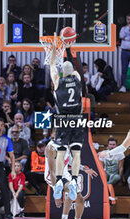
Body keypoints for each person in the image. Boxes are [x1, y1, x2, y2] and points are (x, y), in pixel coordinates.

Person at [50, 33, 83, 202]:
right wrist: (68, 47)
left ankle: (59, 181)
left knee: (61, 153)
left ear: (62, 72)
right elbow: (73, 67)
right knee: (76, 153)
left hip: (63, 120)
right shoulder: (77, 79)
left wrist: (55, 48)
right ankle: (75, 181)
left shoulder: (57, 80)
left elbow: (51, 65)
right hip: (77, 119)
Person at [44, 131, 96, 219]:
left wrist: (84, 169)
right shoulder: (51, 147)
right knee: (71, 190)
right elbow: (52, 170)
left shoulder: (66, 145)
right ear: (52, 134)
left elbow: (71, 161)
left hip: (64, 174)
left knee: (80, 198)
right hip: (52, 175)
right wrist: (56, 192)